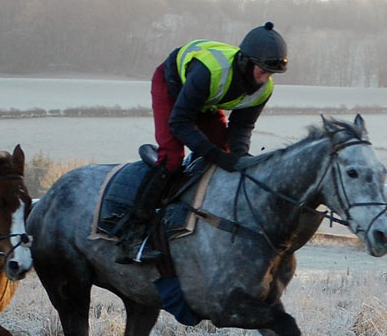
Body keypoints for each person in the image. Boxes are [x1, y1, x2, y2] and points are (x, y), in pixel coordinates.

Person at [116, 21, 288, 264]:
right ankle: (131, 236)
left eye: (271, 74)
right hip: (172, 85)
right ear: (246, 62)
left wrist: (238, 157)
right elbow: (180, 123)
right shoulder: (211, 71)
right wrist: (216, 156)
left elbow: (242, 126)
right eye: (262, 71)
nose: (265, 79)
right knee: (172, 159)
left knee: (227, 154)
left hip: (206, 99)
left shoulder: (264, 88)